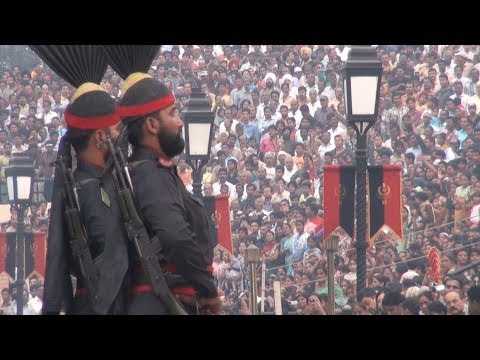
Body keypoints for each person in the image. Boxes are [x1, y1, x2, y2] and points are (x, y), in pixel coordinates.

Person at [116, 71, 221, 315]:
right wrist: (207, 291)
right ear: (152, 124)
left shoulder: (154, 170)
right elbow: (175, 236)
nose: (180, 122)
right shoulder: (151, 174)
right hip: (161, 303)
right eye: (172, 113)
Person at [38, 45, 129, 315]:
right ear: (101, 137)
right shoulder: (88, 190)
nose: (122, 137)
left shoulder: (99, 182)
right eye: (117, 129)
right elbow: (115, 258)